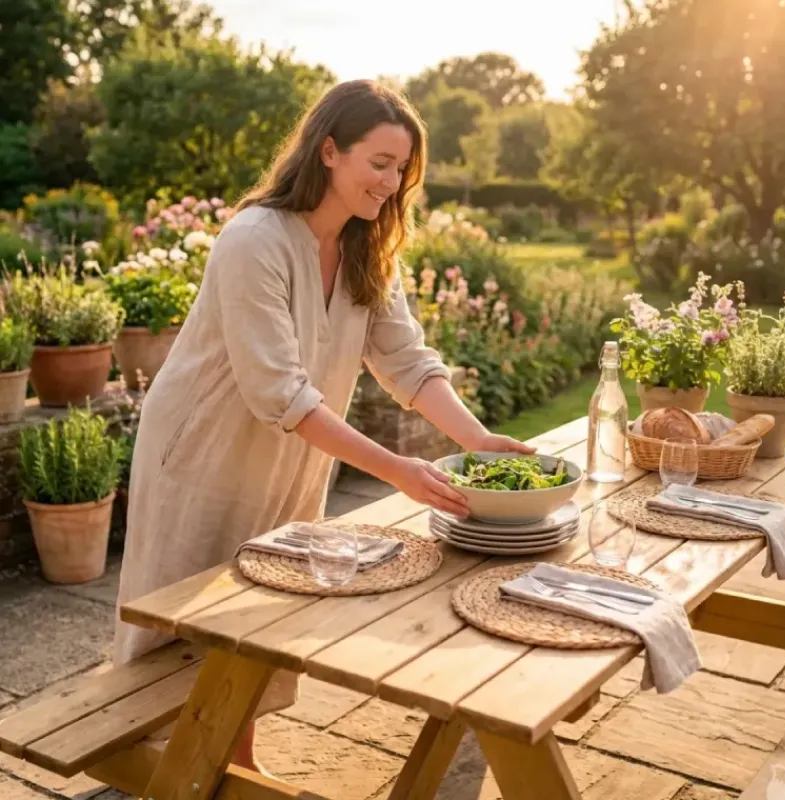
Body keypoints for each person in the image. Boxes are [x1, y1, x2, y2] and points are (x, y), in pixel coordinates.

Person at [113, 78, 534, 774]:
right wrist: (399, 471)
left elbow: (406, 360)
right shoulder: (255, 239)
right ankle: (178, 764)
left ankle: (231, 761)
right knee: (184, 612)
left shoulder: (368, 248)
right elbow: (278, 389)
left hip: (291, 454)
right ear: (329, 151)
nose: (392, 183)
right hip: (203, 451)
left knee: (262, 608)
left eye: (402, 169)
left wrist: (477, 442)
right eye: (380, 163)